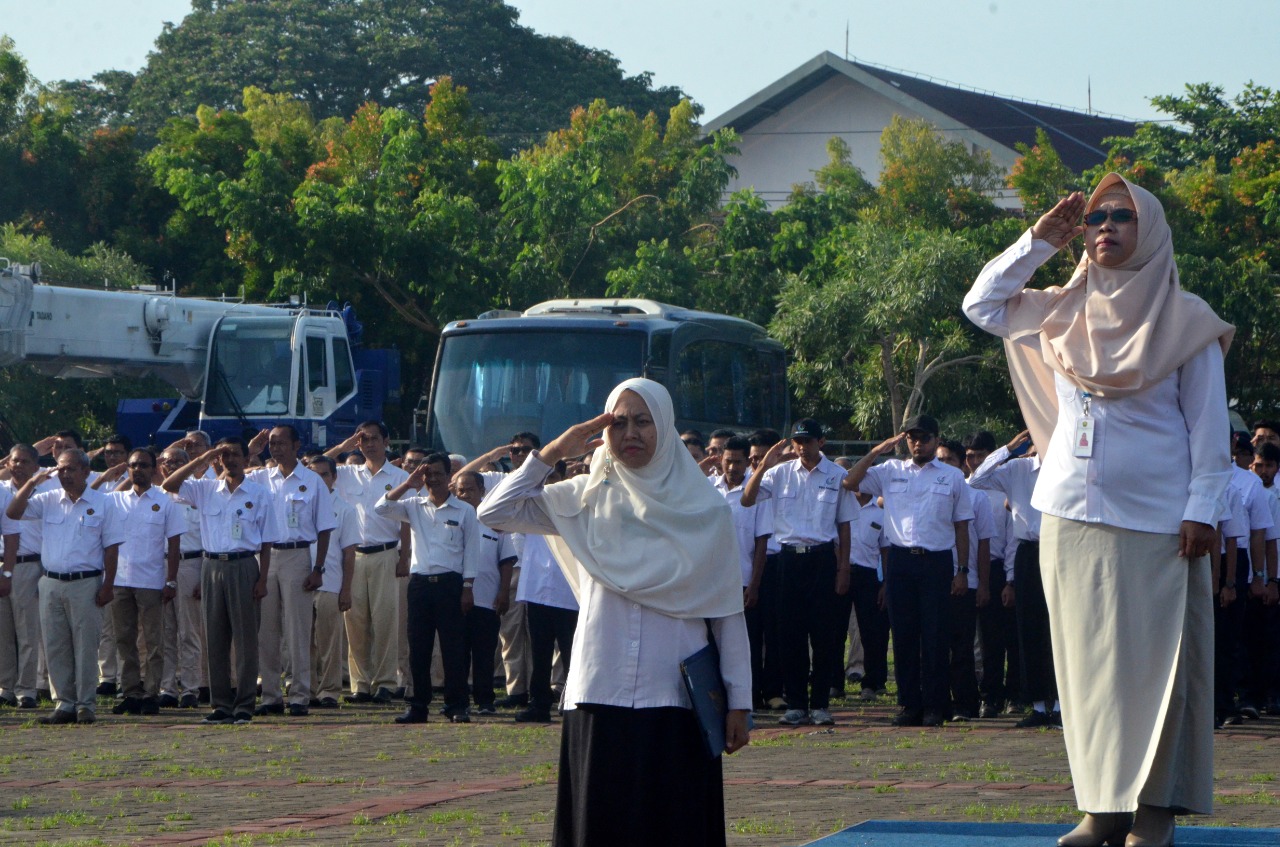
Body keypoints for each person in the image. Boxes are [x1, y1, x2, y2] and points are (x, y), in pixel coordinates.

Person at [963, 174, 1232, 847]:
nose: (1105, 226)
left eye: (1122, 216)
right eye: (1095, 218)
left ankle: (1154, 812)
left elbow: (1208, 431)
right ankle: (1101, 808)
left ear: (1153, 231)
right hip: (1070, 516)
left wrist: (1203, 508)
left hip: (1163, 523)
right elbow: (982, 303)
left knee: (1158, 672)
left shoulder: (1187, 319)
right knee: (1086, 673)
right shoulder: (1060, 307)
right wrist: (1038, 242)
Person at [479, 378, 751, 847]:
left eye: (643, 421)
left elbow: (726, 612)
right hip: (598, 687)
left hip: (676, 695)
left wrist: (740, 700)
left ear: (664, 426)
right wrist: (553, 452)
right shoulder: (582, 498)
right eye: (618, 422)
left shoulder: (706, 510)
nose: (631, 432)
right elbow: (494, 510)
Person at [844, 415, 973, 728]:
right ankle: (908, 704)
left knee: (935, 636)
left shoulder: (952, 476)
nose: (918, 443)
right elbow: (850, 481)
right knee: (903, 636)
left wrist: (962, 570)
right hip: (901, 562)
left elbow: (961, 526)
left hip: (937, 562)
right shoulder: (890, 470)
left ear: (936, 439)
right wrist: (877, 451)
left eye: (924, 437)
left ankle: (934, 706)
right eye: (912, 438)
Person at [741, 419, 853, 727]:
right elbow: (747, 498)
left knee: (824, 636)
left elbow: (844, 525)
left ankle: (819, 703)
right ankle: (796, 704)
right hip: (788, 560)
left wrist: (844, 567)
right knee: (789, 635)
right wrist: (764, 464)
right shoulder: (779, 474)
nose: (802, 447)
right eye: (797, 441)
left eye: (808, 441)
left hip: (822, 559)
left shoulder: (837, 475)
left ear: (822, 442)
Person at [163, 437, 278, 725]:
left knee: (245, 640)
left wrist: (262, 579)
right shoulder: (204, 489)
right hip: (211, 565)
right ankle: (221, 704)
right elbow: (169, 484)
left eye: (236, 455)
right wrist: (204, 458)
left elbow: (266, 541)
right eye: (225, 456)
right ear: (218, 459)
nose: (231, 460)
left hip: (244, 566)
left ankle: (245, 704)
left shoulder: (259, 493)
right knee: (214, 638)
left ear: (246, 458)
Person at [6, 448, 124, 724]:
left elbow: (112, 548)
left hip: (85, 582)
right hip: (50, 581)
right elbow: (13, 512)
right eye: (60, 469)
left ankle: (85, 704)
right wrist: (32, 482)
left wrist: (108, 585)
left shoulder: (103, 503)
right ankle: (64, 703)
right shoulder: (47, 499)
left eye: (71, 469)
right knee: (55, 645)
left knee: (85, 646)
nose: (65, 475)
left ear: (85, 471)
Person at [376, 452, 483, 724]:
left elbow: (471, 551)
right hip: (421, 584)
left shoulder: (465, 511)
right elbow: (381, 508)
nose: (432, 479)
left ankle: (457, 705)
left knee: (453, 649)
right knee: (419, 648)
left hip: (451, 584)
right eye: (428, 474)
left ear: (449, 477)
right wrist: (407, 484)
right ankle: (418, 706)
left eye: (438, 473)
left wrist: (468, 586)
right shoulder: (413, 504)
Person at [247, 426, 335, 717]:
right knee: (266, 630)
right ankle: (271, 696)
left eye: (282, 443)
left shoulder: (312, 481)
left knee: (298, 629)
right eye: (272, 443)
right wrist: (252, 451)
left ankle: (299, 695)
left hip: (298, 555)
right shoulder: (260, 477)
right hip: (266, 556)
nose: (276, 448)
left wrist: (319, 567)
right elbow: (226, 475)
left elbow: (324, 528)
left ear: (297, 445)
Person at [325, 421, 411, 704]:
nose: (369, 444)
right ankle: (360, 684)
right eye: (363, 439)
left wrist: (405, 557)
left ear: (386, 441)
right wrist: (344, 446)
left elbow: (407, 520)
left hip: (387, 554)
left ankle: (386, 682)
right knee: (355, 621)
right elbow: (315, 467)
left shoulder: (399, 476)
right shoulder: (347, 473)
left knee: (386, 621)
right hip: (353, 556)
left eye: (374, 438)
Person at [105, 449, 183, 716]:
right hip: (120, 580)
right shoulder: (115, 500)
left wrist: (171, 580)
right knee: (124, 640)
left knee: (154, 641)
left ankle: (151, 693)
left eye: (143, 465)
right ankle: (130, 692)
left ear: (154, 469)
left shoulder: (166, 501)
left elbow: (174, 545)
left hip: (151, 580)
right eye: (133, 465)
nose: (138, 470)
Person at [452, 471, 517, 716]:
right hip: (455, 599)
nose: (464, 494)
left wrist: (503, 593)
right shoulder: (452, 518)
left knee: (483, 653)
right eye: (460, 490)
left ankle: (485, 700)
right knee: (457, 654)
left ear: (482, 491)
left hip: (486, 599)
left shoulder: (494, 521)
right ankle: (459, 702)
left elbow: (507, 561)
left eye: (469, 489)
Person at [0, 444, 58, 709]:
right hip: (2, 563)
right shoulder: (1, 491)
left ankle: (27, 689)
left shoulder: (49, 493)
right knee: (4, 632)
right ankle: (6, 687)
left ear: (37, 466)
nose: (19, 465)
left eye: (25, 461)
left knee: (27, 631)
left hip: (29, 565)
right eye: (14, 461)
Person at [303, 455, 357, 708]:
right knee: (303, 641)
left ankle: (329, 691)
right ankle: (306, 689)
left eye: (324, 474)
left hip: (331, 583)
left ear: (334, 477)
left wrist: (346, 589)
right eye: (314, 474)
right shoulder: (299, 503)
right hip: (301, 582)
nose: (320, 480)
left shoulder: (345, 509)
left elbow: (349, 553)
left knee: (328, 642)